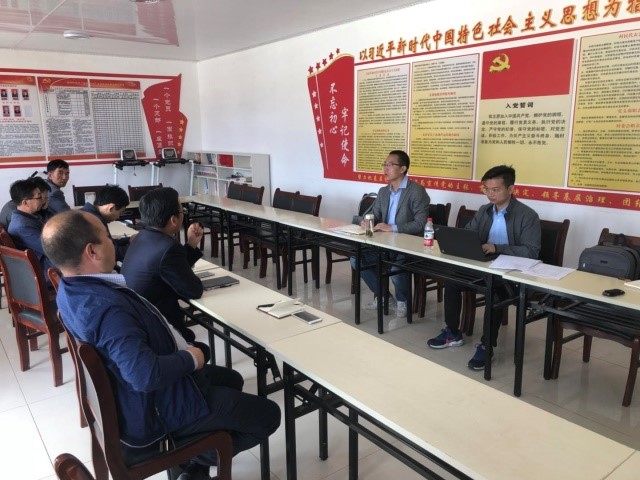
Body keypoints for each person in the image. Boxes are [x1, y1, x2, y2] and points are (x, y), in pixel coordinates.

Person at [42, 210, 280, 480]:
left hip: (132, 397)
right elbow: (144, 375)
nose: (113, 242)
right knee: (268, 415)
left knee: (232, 379)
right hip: (152, 410)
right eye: (107, 237)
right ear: (92, 251)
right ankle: (195, 456)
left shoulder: (70, 288)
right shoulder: (108, 310)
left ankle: (194, 464)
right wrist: (193, 358)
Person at [427, 165, 541, 370]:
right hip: (485, 264)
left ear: (511, 189)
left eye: (495, 189)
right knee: (452, 280)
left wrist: (497, 247)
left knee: (494, 293)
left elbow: (531, 252)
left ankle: (487, 345)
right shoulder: (484, 210)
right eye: (486, 189)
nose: (490, 194)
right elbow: (469, 233)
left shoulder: (527, 215)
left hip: (511, 272)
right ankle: (452, 332)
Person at [349, 150, 429, 318]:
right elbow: (375, 214)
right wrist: (367, 221)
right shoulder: (384, 191)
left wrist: (393, 227)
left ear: (403, 169)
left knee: (396, 268)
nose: (385, 168)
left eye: (390, 165)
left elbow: (420, 224)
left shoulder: (416, 191)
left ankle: (403, 301)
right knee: (357, 259)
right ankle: (384, 296)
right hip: (384, 242)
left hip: (408, 244)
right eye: (384, 164)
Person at [121, 187, 204, 343]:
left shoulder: (141, 237)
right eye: (182, 211)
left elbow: (170, 268)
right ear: (174, 220)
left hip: (138, 322)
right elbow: (193, 290)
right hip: (159, 330)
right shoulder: (169, 247)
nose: (183, 213)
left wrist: (191, 244)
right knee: (200, 348)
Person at [7, 178, 54, 274]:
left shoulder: (28, 217)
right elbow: (50, 248)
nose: (43, 200)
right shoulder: (23, 226)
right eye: (39, 197)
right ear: (25, 203)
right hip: (45, 269)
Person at [81, 185, 131, 261]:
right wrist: (139, 247)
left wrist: (128, 240)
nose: (118, 217)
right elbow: (112, 253)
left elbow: (108, 243)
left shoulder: (86, 212)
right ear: (111, 208)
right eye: (120, 212)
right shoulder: (95, 222)